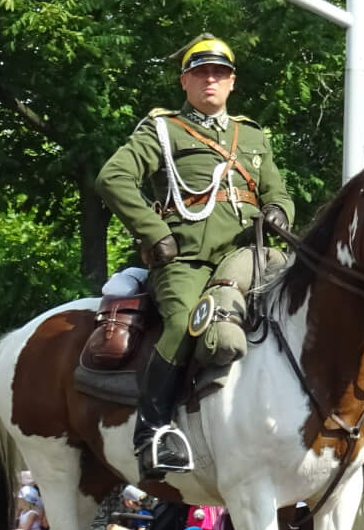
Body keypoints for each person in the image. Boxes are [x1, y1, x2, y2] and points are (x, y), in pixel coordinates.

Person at [96, 35, 294, 477]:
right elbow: (113, 177)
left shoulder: (252, 135)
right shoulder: (162, 130)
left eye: (219, 73)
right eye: (201, 73)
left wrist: (279, 211)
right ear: (184, 81)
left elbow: (276, 191)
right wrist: (154, 231)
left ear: (232, 82)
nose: (210, 80)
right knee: (185, 323)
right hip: (188, 261)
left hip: (247, 258)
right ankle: (153, 433)